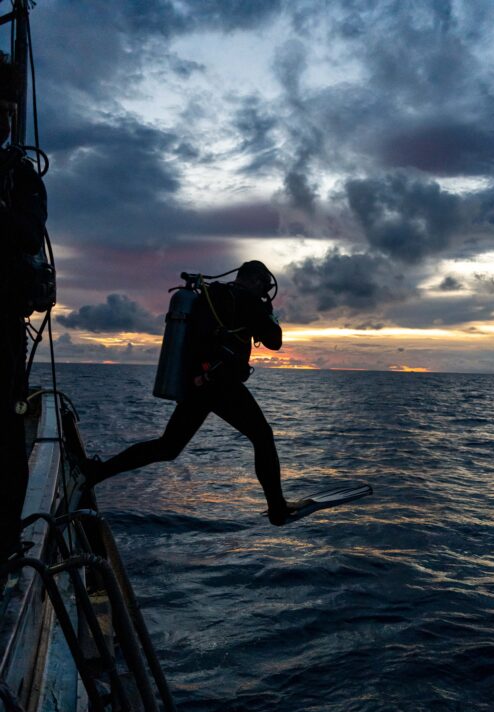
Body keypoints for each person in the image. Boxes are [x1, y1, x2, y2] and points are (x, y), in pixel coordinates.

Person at [84, 260, 299, 525]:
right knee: (263, 436)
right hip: (222, 385)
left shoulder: (213, 295)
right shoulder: (249, 302)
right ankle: (277, 508)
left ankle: (97, 472)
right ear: (254, 280)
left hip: (198, 383)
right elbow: (275, 341)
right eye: (263, 286)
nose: (264, 292)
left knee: (168, 447)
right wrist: (268, 312)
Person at [0, 55, 48, 559]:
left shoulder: (22, 178)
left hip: (2, 321)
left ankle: (5, 538)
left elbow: (31, 233)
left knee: (7, 426)